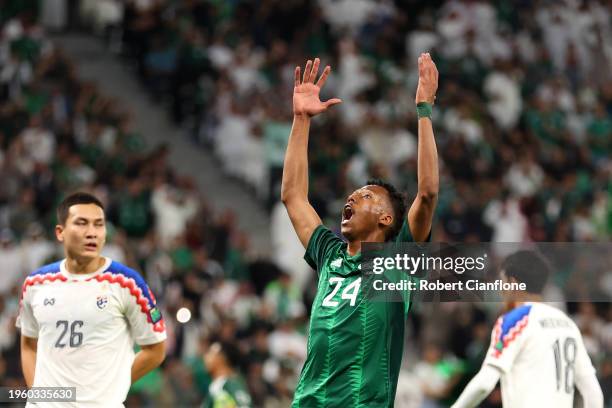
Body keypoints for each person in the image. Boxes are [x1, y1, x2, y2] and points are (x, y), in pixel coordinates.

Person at [282, 54, 439, 407]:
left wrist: (424, 111)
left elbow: (427, 193)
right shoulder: (329, 255)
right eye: (351, 197)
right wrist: (301, 120)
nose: (350, 201)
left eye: (365, 196)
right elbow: (293, 197)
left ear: (386, 219)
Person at [17, 192, 166, 407]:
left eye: (99, 225)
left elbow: (156, 350)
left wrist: (108, 389)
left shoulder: (128, 283)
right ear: (60, 232)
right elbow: (28, 346)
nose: (91, 233)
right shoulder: (35, 283)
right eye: (81, 224)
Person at [451, 250, 604, 408]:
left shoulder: (515, 320)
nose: (500, 290)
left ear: (512, 282)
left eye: (501, 282)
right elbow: (593, 392)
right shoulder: (568, 324)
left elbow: (484, 383)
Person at [202, 339, 253, 408]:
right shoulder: (215, 386)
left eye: (210, 353)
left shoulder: (232, 383)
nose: (206, 357)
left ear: (223, 358)